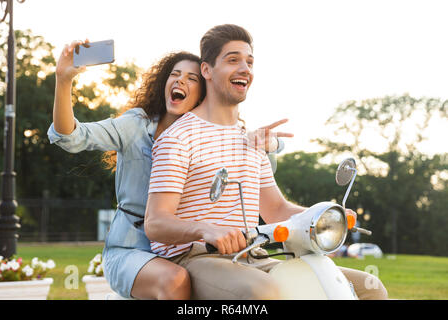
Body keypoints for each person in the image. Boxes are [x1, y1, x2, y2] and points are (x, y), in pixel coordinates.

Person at [145, 24, 388, 300]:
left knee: (369, 288)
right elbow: (156, 222)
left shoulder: (251, 141)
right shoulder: (179, 137)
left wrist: (326, 217)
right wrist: (206, 229)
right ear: (207, 70)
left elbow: (275, 208)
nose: (245, 68)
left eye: (249, 62)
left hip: (254, 255)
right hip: (196, 258)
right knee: (263, 294)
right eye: (233, 59)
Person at [48, 40, 289, 299]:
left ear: (204, 90)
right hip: (133, 247)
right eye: (174, 75)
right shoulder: (136, 125)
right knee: (175, 280)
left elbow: (258, 167)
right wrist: (64, 81)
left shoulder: (207, 136)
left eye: (191, 78)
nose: (180, 81)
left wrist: (274, 142)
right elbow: (70, 135)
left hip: (182, 247)